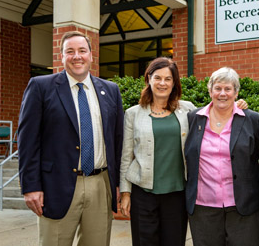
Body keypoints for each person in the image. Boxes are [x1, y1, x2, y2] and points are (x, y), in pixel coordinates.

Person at [18, 31, 124, 246]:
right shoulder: (41, 87)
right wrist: (30, 186)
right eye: (70, 51)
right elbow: (28, 141)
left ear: (91, 55)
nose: (77, 56)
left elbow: (118, 140)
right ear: (62, 56)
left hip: (100, 184)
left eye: (82, 51)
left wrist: (120, 184)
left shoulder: (110, 90)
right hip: (55, 186)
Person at [119, 57, 195, 246]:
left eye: (168, 79)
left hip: (177, 194)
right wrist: (125, 193)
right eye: (157, 77)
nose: (162, 83)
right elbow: (126, 156)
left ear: (174, 82)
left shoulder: (188, 110)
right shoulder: (133, 114)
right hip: (143, 193)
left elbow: (217, 115)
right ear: (149, 79)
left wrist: (237, 105)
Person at [184, 67, 259, 246]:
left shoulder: (252, 120)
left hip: (243, 207)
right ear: (210, 90)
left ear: (236, 92)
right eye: (218, 88)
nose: (222, 93)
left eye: (228, 89)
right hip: (203, 207)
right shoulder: (193, 118)